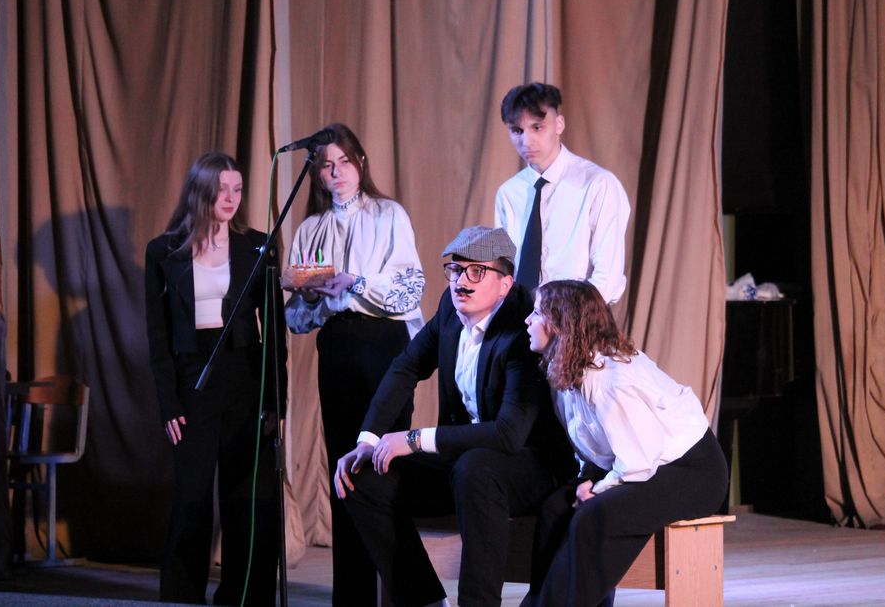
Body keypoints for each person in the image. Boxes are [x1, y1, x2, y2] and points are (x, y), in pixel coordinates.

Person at [334, 226, 570, 607]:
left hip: (528, 464)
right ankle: (424, 600)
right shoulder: (450, 306)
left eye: (476, 271)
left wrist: (413, 440)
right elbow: (407, 366)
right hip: (464, 460)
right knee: (363, 477)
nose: (461, 282)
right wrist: (369, 439)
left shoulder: (522, 328)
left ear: (505, 283)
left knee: (475, 468)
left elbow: (509, 434)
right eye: (456, 270)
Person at [283, 123, 425, 605]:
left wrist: (355, 282)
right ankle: (352, 596)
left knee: (383, 465)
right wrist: (310, 296)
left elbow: (409, 289)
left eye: (344, 161)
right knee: (343, 467)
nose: (336, 172)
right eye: (326, 165)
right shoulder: (311, 228)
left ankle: (405, 592)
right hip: (338, 345)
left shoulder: (388, 214)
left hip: (384, 343)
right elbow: (297, 320)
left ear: (360, 163)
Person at [521, 280, 728, 606]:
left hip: (691, 472)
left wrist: (600, 488)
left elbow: (639, 463)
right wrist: (590, 477)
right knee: (555, 509)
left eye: (537, 313)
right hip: (642, 463)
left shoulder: (610, 380)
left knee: (593, 517)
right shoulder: (571, 368)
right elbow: (595, 442)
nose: (527, 320)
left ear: (561, 324)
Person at [145, 151, 287, 605]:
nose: (230, 198)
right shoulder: (164, 250)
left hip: (246, 374)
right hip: (193, 377)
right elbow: (157, 336)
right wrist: (168, 402)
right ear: (200, 191)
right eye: (221, 189)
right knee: (192, 493)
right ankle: (182, 595)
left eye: (237, 189)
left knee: (246, 495)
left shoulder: (258, 246)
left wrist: (276, 398)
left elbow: (275, 330)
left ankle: (245, 597)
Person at [494, 82, 631, 303]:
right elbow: (504, 269)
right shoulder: (509, 193)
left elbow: (608, 277)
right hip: (520, 317)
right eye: (517, 131)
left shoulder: (597, 184)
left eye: (537, 128)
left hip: (578, 316)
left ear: (559, 124)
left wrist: (569, 317)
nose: (526, 141)